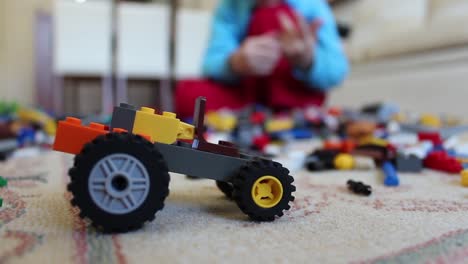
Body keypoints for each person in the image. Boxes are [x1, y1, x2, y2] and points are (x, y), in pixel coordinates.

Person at [175, 0, 349, 118]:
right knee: (188, 93)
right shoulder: (230, 7)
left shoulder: (312, 5)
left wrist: (307, 60)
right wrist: (235, 63)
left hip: (296, 99)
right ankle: (259, 117)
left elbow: (337, 71)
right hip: (246, 98)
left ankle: (282, 115)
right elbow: (210, 65)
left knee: (270, 15)